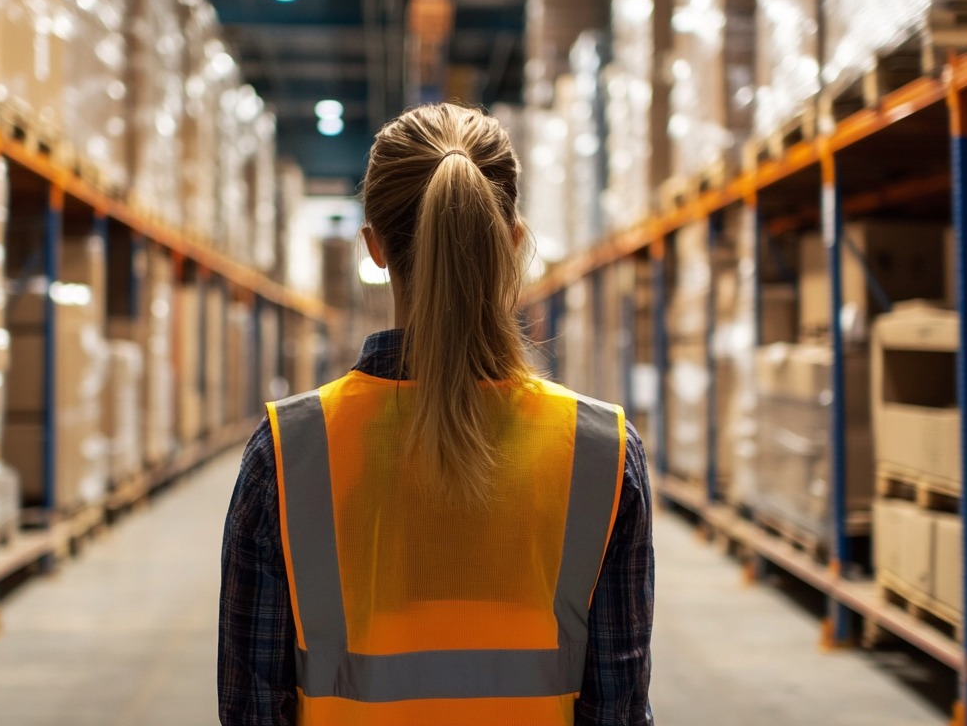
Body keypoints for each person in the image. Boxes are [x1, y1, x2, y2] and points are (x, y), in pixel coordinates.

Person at [218, 102, 654, 725]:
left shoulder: (290, 453)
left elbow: (251, 711)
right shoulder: (601, 454)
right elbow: (619, 710)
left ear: (374, 247)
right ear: (512, 241)